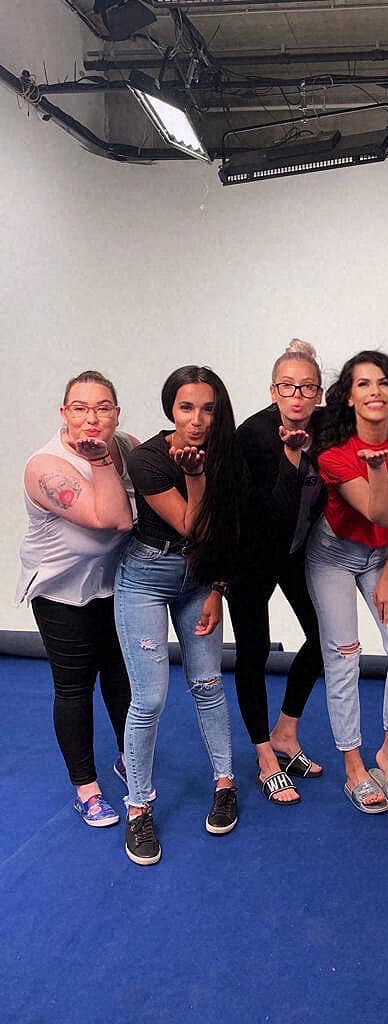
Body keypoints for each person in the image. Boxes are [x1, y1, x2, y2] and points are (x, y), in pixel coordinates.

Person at [115, 366, 239, 865]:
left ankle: (225, 783)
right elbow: (193, 524)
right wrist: (193, 475)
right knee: (149, 699)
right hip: (146, 577)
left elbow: (228, 529)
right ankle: (138, 807)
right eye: (187, 407)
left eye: (208, 409)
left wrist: (218, 589)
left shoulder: (225, 452)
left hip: (200, 579)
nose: (197, 420)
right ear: (171, 409)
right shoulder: (147, 458)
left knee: (208, 685)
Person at [306, 351, 388, 814]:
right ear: (349, 397)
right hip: (334, 556)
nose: (375, 391)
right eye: (363, 384)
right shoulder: (335, 455)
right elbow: (380, 512)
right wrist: (376, 468)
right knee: (344, 656)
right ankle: (354, 767)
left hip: (383, 557)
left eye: (383, 382)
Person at [16, 370, 137, 828]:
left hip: (112, 583)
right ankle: (86, 789)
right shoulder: (44, 467)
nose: (92, 418)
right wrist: (101, 462)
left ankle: (128, 757)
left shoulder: (127, 446)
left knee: (121, 677)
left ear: (116, 413)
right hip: (60, 591)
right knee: (74, 687)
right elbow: (114, 520)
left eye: (102, 408)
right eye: (80, 408)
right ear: (64, 413)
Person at [230, 339, 326, 805]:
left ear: (319, 394)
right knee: (254, 650)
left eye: (307, 387)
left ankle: (286, 732)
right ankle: (265, 755)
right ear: (273, 392)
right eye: (287, 386)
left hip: (293, 551)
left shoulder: (326, 428)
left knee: (324, 636)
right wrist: (291, 455)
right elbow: (271, 509)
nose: (297, 396)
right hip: (248, 555)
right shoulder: (252, 436)